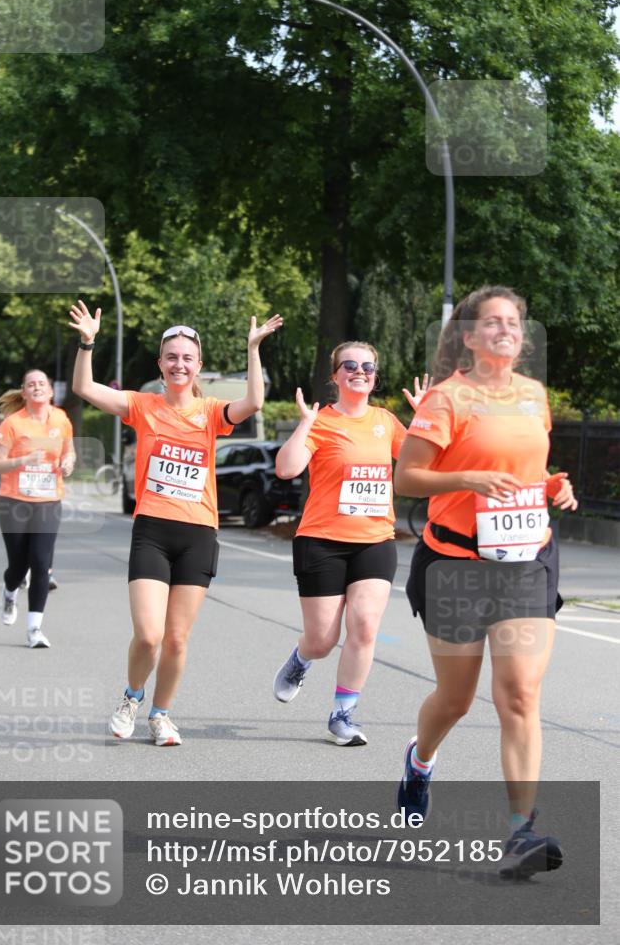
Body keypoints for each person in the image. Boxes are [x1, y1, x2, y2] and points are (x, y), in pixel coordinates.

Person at [394, 285, 577, 879]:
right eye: (492, 322)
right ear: (469, 337)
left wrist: (553, 487)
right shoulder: (447, 399)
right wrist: (467, 478)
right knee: (455, 699)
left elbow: (526, 472)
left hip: (526, 563)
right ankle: (421, 760)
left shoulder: (533, 396)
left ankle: (521, 831)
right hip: (456, 565)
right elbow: (407, 478)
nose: (505, 330)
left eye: (514, 323)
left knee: (519, 693)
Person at [69, 299, 282, 747]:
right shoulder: (142, 405)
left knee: (177, 640)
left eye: (187, 357)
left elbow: (254, 401)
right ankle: (131, 697)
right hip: (152, 531)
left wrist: (253, 350)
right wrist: (87, 343)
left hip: (198, 534)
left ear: (198, 365)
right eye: (171, 357)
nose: (179, 364)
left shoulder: (211, 412)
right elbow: (84, 388)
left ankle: (161, 715)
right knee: (149, 636)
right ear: (160, 364)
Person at [273, 343, 427, 746]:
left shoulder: (386, 421)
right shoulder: (321, 421)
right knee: (322, 640)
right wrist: (305, 424)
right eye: (351, 365)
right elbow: (287, 468)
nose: (360, 371)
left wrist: (424, 420)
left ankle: (342, 715)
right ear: (335, 375)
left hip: (374, 542)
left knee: (364, 626)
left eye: (368, 367)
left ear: (375, 377)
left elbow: (424, 465)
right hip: (321, 541)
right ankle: (302, 658)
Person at [0, 371, 76, 648]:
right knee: (18, 566)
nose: (37, 387)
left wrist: (68, 463)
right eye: (31, 384)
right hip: (15, 502)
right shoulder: (13, 423)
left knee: (41, 563)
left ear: (50, 391)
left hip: (48, 501)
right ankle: (9, 592)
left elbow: (69, 451)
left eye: (41, 384)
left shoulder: (60, 419)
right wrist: (23, 460)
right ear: (24, 392)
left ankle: (34, 629)